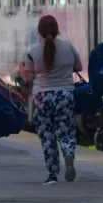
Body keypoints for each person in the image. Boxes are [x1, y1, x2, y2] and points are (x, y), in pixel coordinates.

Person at [22, 15, 83, 185]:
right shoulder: (68, 46)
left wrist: (22, 69)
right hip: (65, 95)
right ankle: (68, 152)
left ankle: (52, 175)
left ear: (39, 32)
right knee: (66, 132)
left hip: (42, 97)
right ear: (57, 30)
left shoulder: (33, 51)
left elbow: (28, 78)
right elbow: (78, 67)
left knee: (47, 136)